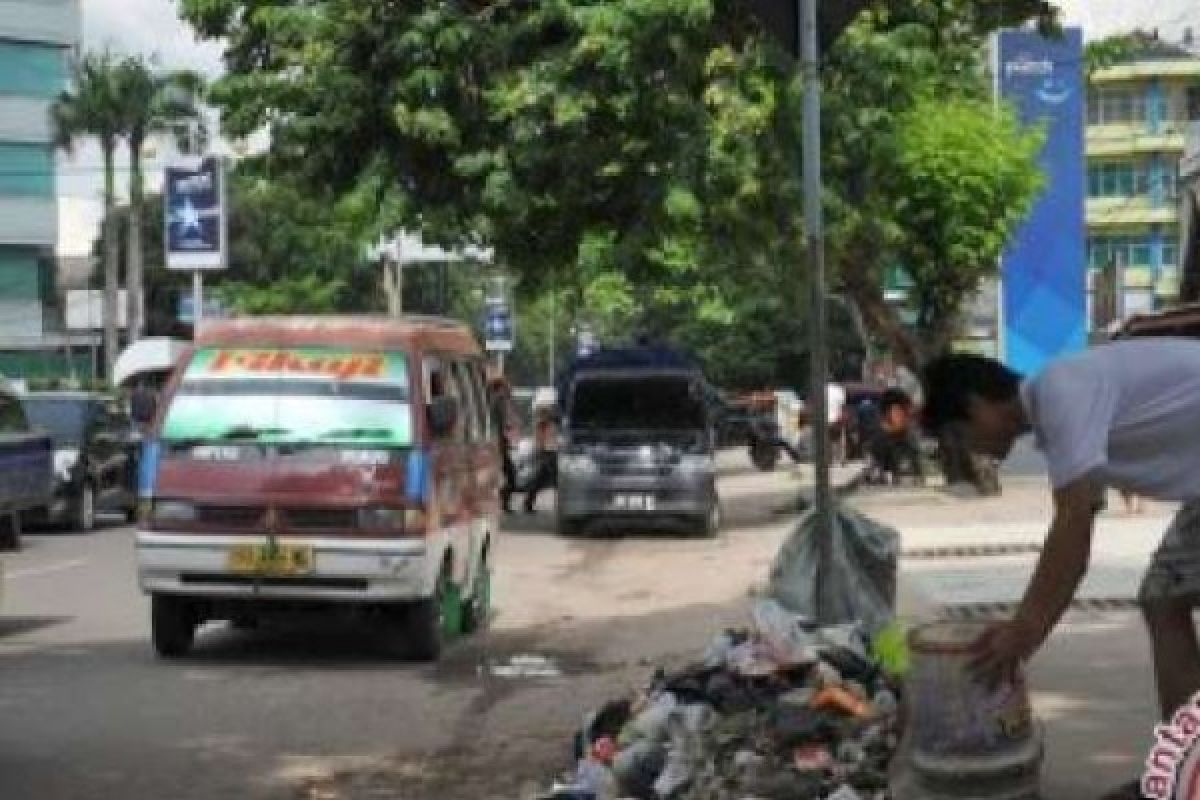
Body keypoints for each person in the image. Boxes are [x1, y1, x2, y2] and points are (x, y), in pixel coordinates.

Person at [922, 341, 1200, 800]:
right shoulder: (1057, 406)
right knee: (1162, 600)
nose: (967, 450)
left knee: (1165, 600)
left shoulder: (1060, 390)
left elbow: (1075, 521)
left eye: (956, 436)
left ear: (976, 406)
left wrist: (1024, 632)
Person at [868, 388, 923, 484]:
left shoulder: (898, 410)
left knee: (910, 452)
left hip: (899, 433)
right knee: (887, 453)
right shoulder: (891, 411)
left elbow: (909, 417)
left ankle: (915, 475)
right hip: (892, 434)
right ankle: (890, 475)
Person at [486, 374, 518, 513]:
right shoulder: (500, 399)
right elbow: (508, 421)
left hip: (492, 444)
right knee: (510, 475)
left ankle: (500, 503)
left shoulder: (489, 400)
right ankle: (501, 503)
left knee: (499, 476)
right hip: (497, 445)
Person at [524, 404, 559, 513]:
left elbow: (553, 438)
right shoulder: (542, 425)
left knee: (544, 480)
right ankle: (528, 503)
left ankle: (528, 503)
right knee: (541, 480)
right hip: (547, 453)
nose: (550, 414)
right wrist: (540, 453)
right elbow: (539, 440)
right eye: (547, 412)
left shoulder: (550, 424)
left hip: (551, 453)